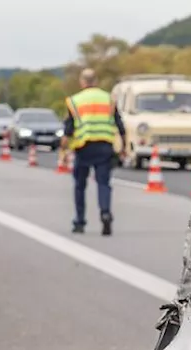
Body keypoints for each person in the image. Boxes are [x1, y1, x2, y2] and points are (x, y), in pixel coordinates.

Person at [61, 68, 126, 235]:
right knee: (103, 183)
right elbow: (119, 123)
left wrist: (63, 149)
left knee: (80, 185)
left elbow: (69, 127)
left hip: (84, 146)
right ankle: (105, 213)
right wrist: (123, 146)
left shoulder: (75, 100)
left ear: (82, 82)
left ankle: (80, 222)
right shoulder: (108, 99)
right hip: (105, 146)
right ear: (96, 81)